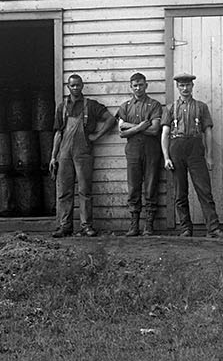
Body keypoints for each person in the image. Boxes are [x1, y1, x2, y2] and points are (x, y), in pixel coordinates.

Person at [161, 73, 223, 238]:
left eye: (188, 85)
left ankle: (213, 229)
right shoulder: (170, 108)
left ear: (192, 86)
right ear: (177, 87)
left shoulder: (201, 107)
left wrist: (209, 156)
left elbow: (208, 132)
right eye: (181, 86)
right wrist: (166, 157)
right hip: (176, 148)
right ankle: (185, 228)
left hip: (196, 148)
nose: (185, 89)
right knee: (180, 192)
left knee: (204, 190)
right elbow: (165, 133)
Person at [50, 73, 113, 237]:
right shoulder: (62, 107)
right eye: (72, 85)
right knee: (64, 190)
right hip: (64, 153)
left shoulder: (91, 105)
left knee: (85, 190)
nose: (75, 87)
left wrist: (97, 136)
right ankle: (65, 226)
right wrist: (53, 156)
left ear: (82, 86)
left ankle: (86, 226)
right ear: (68, 87)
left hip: (83, 151)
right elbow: (58, 133)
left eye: (78, 85)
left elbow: (110, 119)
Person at [112, 71, 163, 236]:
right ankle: (134, 225)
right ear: (131, 87)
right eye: (135, 85)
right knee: (134, 186)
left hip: (151, 151)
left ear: (146, 85)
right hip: (133, 151)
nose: (138, 88)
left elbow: (155, 129)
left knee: (150, 185)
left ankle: (149, 224)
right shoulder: (126, 106)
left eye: (141, 85)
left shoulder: (154, 105)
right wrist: (140, 127)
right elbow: (121, 133)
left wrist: (130, 127)